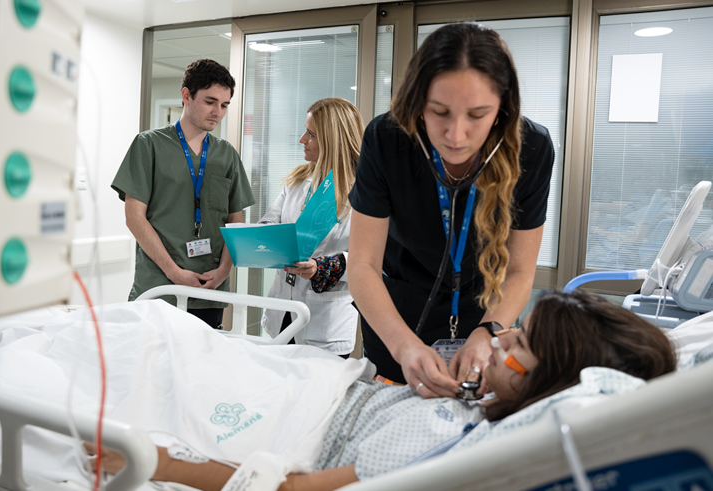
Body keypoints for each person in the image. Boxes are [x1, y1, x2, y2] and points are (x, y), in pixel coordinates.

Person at [94, 291, 675, 490]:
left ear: (547, 384)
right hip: (324, 385)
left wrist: (157, 463)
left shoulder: (442, 444)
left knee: (151, 344)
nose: (499, 340)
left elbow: (292, 489)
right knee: (160, 329)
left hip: (302, 418)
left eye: (517, 344)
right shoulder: (478, 406)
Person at [346, 23, 556, 392]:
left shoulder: (532, 149)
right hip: (396, 315)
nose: (456, 135)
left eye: (477, 115)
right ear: (417, 104)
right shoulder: (386, 140)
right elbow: (363, 265)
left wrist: (489, 333)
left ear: (503, 109)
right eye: (439, 112)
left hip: (486, 311)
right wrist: (404, 345)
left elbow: (520, 271)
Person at [111, 59, 255, 329]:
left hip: (210, 290)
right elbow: (134, 217)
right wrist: (174, 272)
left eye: (224, 105)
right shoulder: (149, 145)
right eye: (210, 102)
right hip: (159, 287)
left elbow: (236, 221)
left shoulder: (226, 155)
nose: (218, 112)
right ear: (186, 95)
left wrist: (223, 271)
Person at [258, 98, 364, 357]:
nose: (302, 139)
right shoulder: (298, 180)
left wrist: (322, 268)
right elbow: (271, 220)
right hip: (283, 312)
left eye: (311, 134)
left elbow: (373, 260)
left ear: (333, 140)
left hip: (325, 323)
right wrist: (264, 235)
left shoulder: (364, 193)